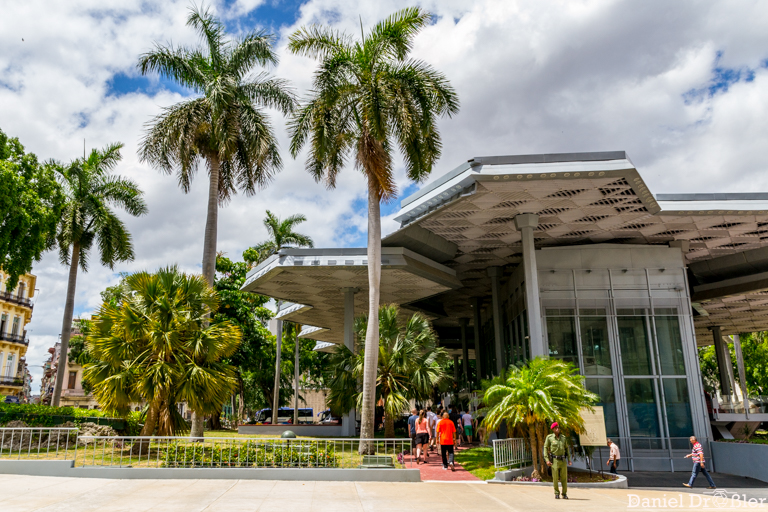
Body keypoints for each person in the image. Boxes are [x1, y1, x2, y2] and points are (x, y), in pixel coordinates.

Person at [544, 422, 571, 500]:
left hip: (563, 460)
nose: (557, 429)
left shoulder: (563, 438)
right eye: (556, 428)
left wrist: (569, 459)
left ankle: (564, 494)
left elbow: (567, 449)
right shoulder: (549, 438)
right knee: (555, 478)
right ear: (553, 429)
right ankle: (556, 493)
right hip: (554, 460)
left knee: (564, 478)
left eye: (558, 428)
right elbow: (545, 448)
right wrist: (547, 460)